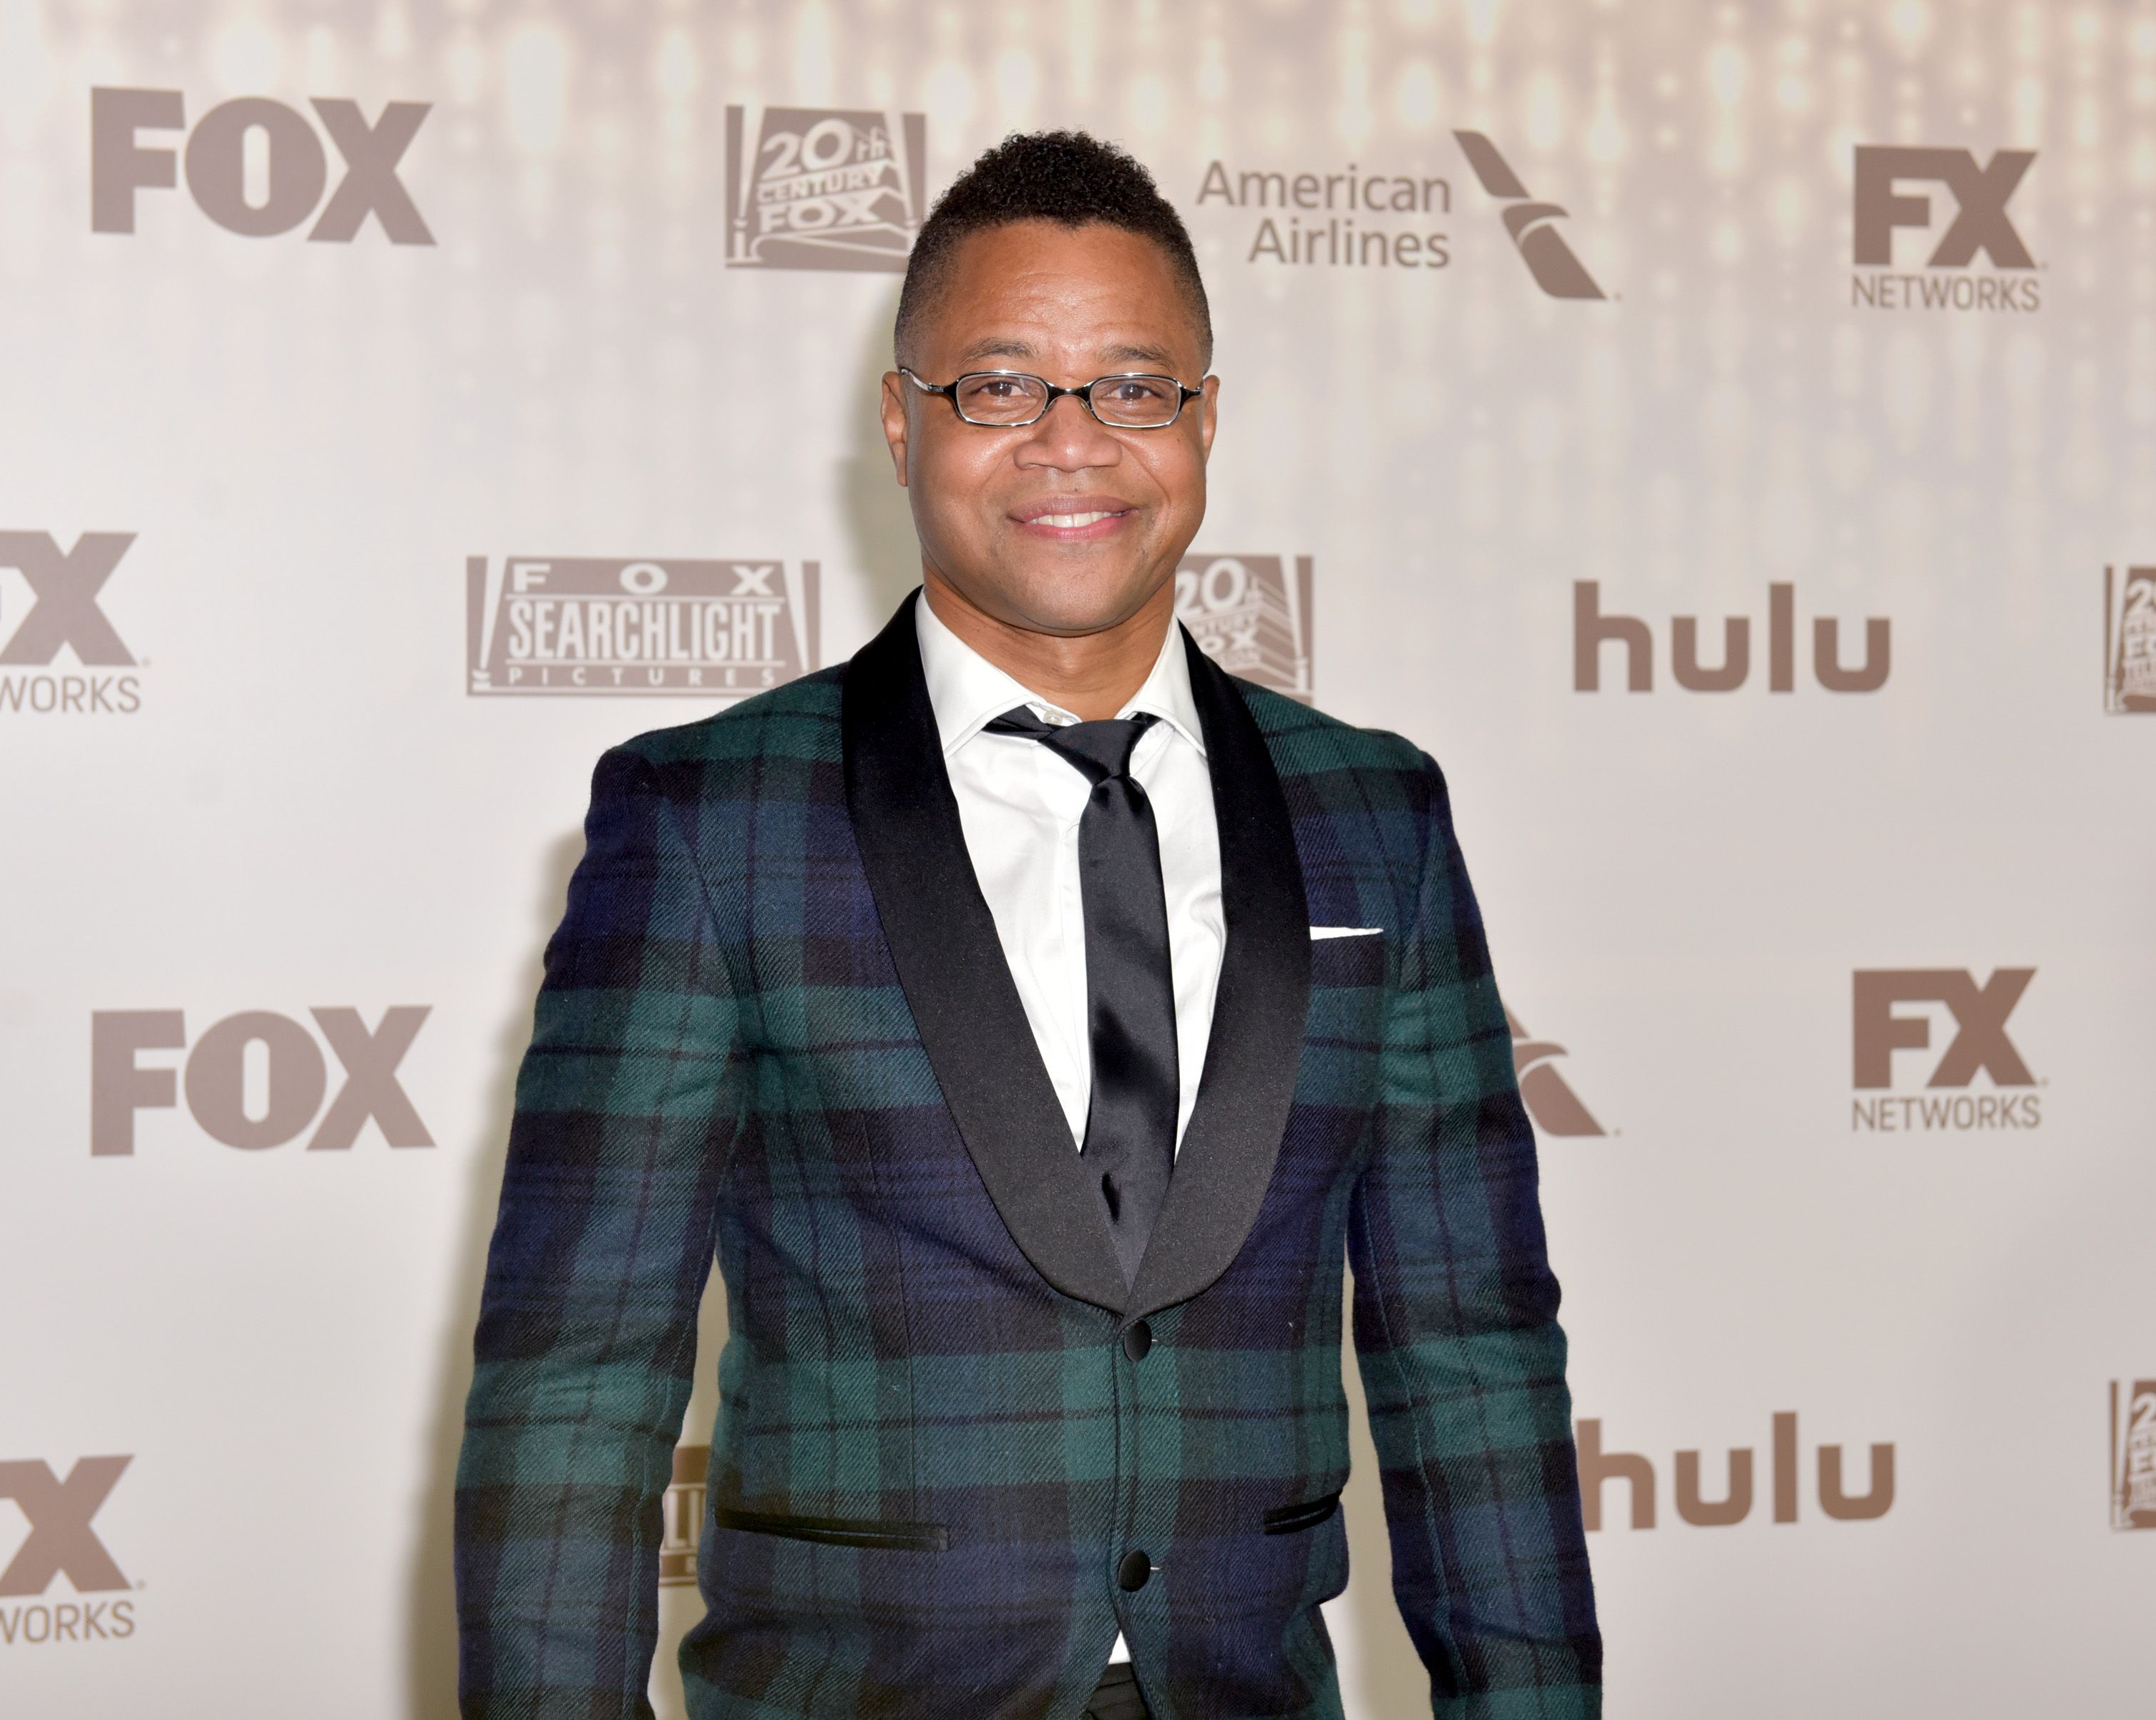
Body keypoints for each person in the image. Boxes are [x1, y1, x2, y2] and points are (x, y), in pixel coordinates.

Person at [454, 130, 1599, 1720]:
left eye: (1135, 386)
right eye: (1001, 386)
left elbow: (1470, 1351)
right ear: (902, 418)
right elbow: (577, 1381)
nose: (1073, 442)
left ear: (1206, 420)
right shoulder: (712, 820)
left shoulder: (1375, 817)